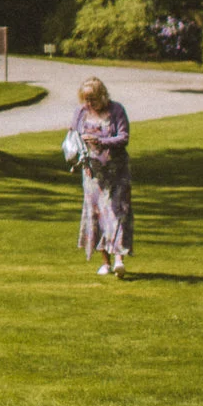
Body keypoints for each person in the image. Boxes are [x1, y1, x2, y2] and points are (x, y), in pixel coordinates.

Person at [70, 77, 133, 277]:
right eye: (86, 100)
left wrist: (101, 141)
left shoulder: (117, 110)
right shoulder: (81, 113)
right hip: (92, 173)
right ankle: (105, 262)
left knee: (116, 212)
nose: (89, 104)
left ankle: (119, 259)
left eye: (93, 99)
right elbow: (73, 138)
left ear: (102, 96)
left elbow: (123, 137)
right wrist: (82, 158)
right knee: (96, 216)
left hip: (116, 171)